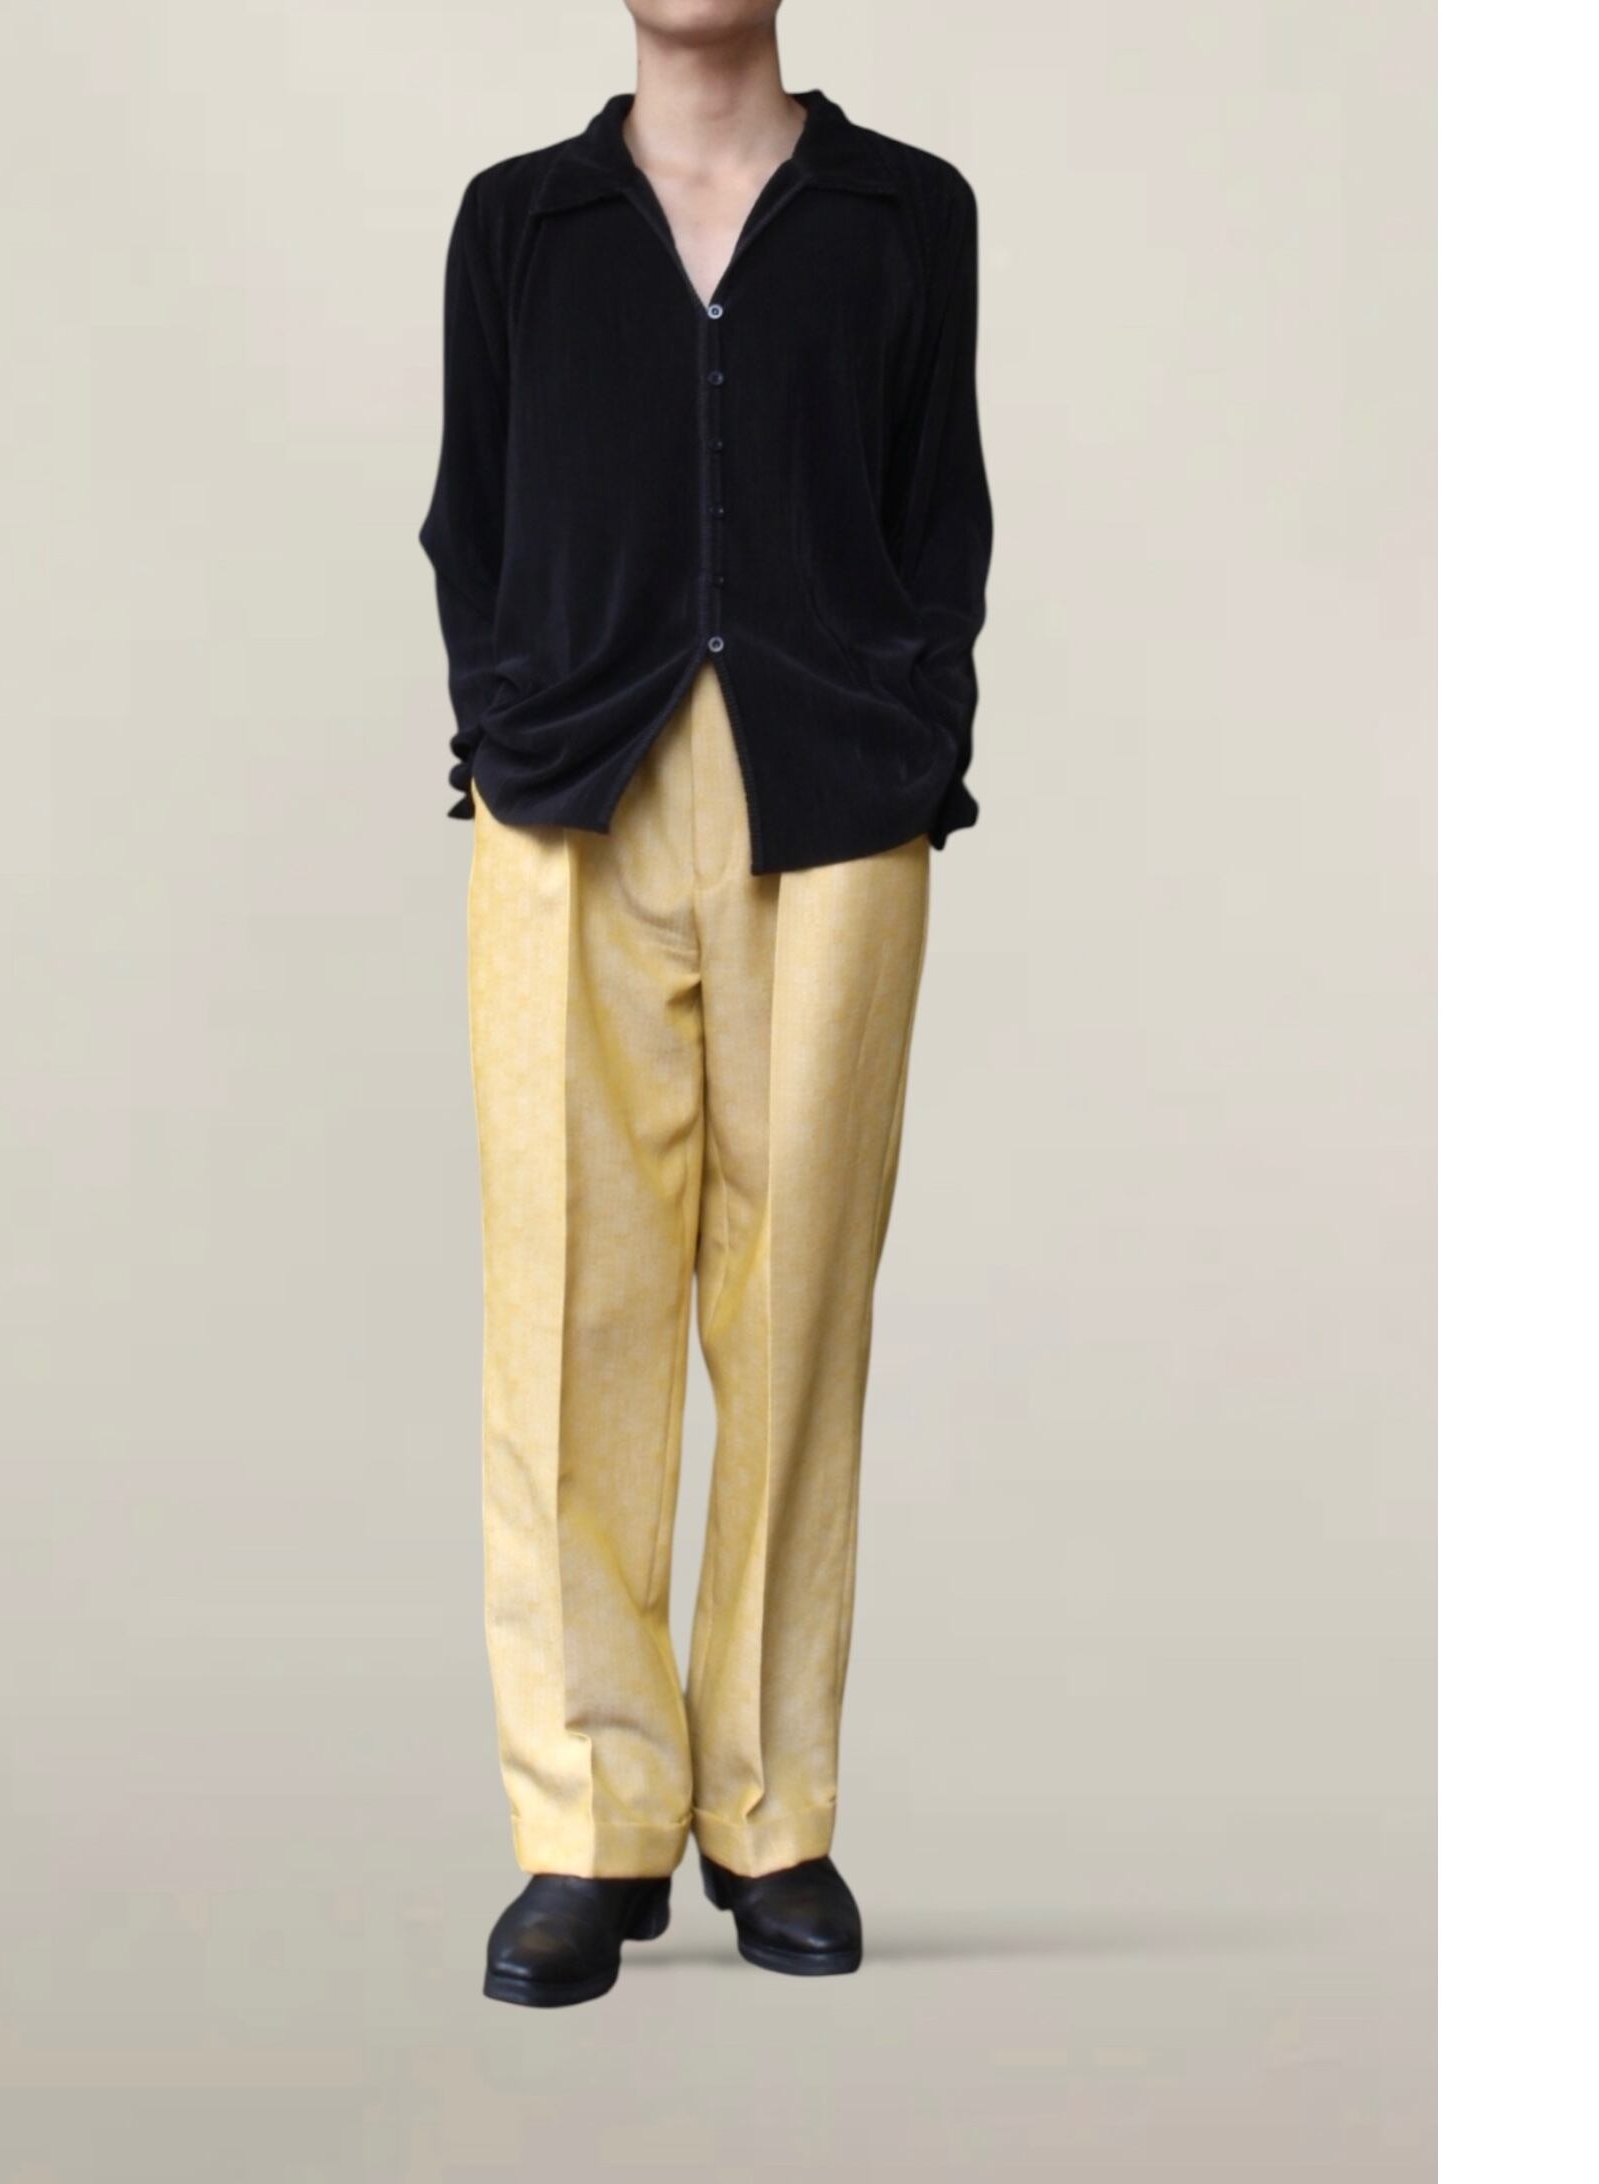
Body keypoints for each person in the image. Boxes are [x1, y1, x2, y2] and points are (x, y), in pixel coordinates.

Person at [419, 0, 991, 2008]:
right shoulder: (521, 222)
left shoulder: (906, 215)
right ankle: (588, 1825)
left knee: (798, 1296)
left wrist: (914, 732)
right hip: (568, 804)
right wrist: (506, 728)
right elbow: (471, 513)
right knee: (568, 1310)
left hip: (831, 802)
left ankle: (769, 1810)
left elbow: (940, 508)